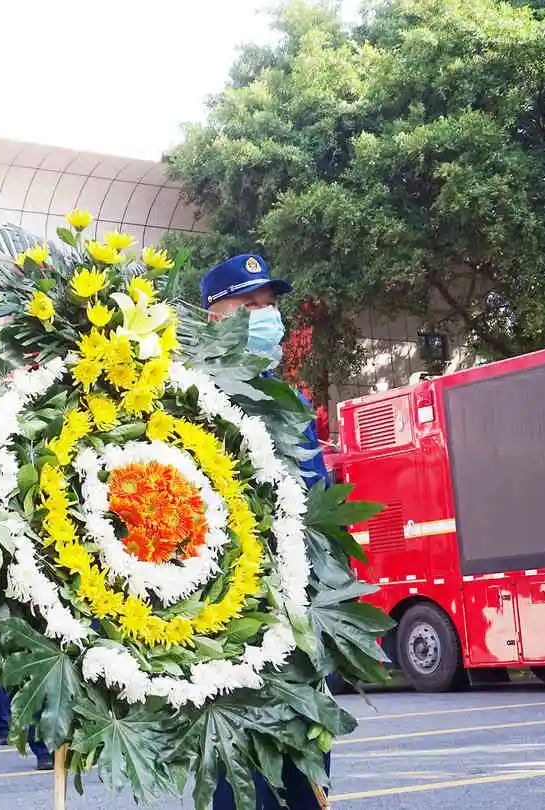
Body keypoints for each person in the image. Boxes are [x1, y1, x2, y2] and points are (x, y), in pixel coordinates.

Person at [201, 255, 329, 809]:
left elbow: (320, 508)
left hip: (300, 615)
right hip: (231, 619)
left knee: (307, 771)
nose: (266, 316)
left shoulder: (293, 402)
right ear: (214, 316)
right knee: (244, 780)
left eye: (270, 305)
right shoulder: (192, 399)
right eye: (249, 306)